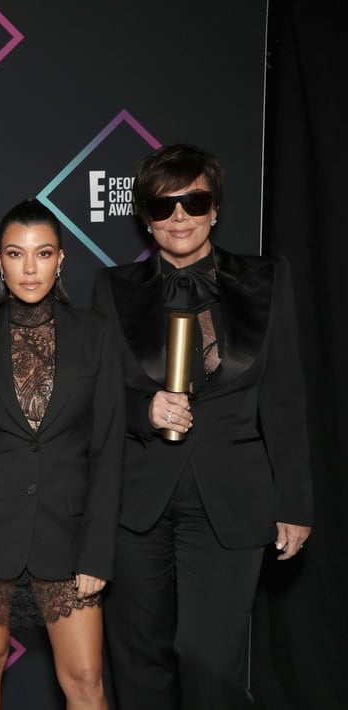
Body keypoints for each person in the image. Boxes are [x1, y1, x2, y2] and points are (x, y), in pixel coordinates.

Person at [93, 144, 313, 709]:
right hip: (138, 502)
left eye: (194, 202)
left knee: (207, 660)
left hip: (231, 498)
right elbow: (97, 395)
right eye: (162, 206)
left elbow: (284, 394)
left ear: (215, 209)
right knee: (139, 662)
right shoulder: (113, 288)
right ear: (145, 218)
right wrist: (145, 410)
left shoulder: (267, 278)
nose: (179, 217)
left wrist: (294, 501)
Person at [0, 198, 123, 709]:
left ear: (61, 259)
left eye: (43, 253)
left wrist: (97, 552)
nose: (30, 268)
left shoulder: (97, 334)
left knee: (85, 679)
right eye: (16, 254)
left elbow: (108, 449)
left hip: (68, 533)